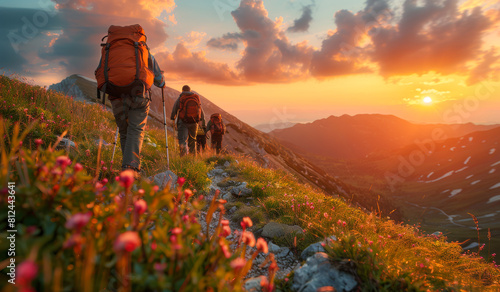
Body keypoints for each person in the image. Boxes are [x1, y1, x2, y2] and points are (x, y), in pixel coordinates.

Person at [96, 24, 165, 178]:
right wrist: (162, 83)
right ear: (140, 35)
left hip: (115, 95)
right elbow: (159, 79)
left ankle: (127, 168)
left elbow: (100, 70)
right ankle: (130, 169)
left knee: (124, 131)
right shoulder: (143, 50)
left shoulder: (108, 49)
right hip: (138, 94)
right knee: (136, 129)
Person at [170, 85, 206, 156]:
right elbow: (200, 110)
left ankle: (183, 156)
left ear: (182, 90)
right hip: (194, 122)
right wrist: (202, 120)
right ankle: (193, 157)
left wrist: (172, 117)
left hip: (183, 122)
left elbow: (175, 108)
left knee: (182, 139)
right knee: (193, 140)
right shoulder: (195, 97)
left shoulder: (181, 97)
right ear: (190, 90)